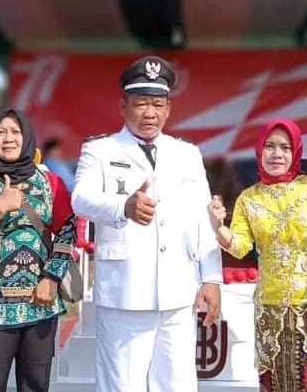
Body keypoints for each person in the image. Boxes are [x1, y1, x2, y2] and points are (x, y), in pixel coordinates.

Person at [71, 55, 222, 392]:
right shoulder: (100, 149)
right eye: (141, 104)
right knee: (122, 385)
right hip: (125, 291)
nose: (149, 113)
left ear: (169, 109)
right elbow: (80, 199)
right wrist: (122, 206)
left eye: (157, 104)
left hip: (178, 291)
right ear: (123, 106)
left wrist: (211, 278)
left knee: (177, 384)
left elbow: (203, 218)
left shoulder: (187, 153)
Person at [208, 118, 307, 392]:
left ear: (296, 151)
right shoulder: (249, 198)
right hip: (270, 312)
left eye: (285, 148)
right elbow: (239, 246)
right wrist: (219, 227)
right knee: (274, 384)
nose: (276, 154)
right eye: (269, 146)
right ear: (259, 150)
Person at [0, 108, 76, 392]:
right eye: (0, 132)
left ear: (27, 138)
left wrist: (51, 278)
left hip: (40, 302)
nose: (8, 138)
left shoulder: (50, 183)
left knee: (36, 384)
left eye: (15, 132)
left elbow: (67, 229)